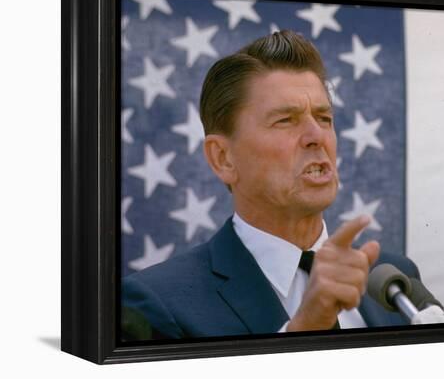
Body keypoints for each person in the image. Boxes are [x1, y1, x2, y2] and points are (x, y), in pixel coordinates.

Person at [121, 30, 420, 340]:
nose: (316, 136)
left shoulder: (393, 281)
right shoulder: (156, 304)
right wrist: (305, 330)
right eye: (285, 120)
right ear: (223, 158)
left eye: (324, 118)